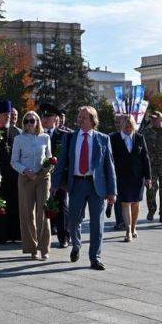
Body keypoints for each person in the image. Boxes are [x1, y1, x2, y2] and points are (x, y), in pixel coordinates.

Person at [53, 106, 117, 270]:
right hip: (77, 183)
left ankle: (95, 257)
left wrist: (112, 191)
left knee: (97, 223)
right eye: (79, 116)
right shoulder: (70, 138)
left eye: (84, 117)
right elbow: (61, 163)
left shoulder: (103, 139)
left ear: (93, 120)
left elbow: (109, 166)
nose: (80, 119)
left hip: (97, 186)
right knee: (74, 220)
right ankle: (76, 245)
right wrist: (55, 184)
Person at [12, 111, 53, 260]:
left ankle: (44, 248)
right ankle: (32, 248)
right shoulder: (19, 139)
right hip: (25, 177)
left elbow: (49, 157)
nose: (29, 124)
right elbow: (14, 161)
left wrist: (49, 166)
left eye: (32, 121)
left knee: (43, 213)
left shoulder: (45, 137)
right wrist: (25, 170)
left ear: (37, 122)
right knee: (27, 213)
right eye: (26, 121)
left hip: (42, 177)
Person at [110, 115, 151, 242]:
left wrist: (148, 177)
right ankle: (128, 230)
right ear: (121, 126)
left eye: (130, 126)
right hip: (121, 177)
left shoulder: (139, 138)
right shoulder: (113, 138)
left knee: (135, 203)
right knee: (125, 203)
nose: (128, 128)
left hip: (137, 177)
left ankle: (134, 227)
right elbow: (110, 159)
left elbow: (145, 158)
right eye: (126, 126)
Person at [0, 101, 22, 244]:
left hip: (15, 176)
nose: (8, 117)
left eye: (9, 114)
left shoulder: (17, 132)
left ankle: (15, 234)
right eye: (4, 114)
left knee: (15, 205)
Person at [40, 104, 71, 247]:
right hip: (41, 176)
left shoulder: (64, 135)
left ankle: (64, 237)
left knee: (62, 205)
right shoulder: (37, 135)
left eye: (48, 116)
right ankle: (41, 236)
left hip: (60, 177)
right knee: (42, 206)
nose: (44, 119)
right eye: (43, 116)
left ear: (56, 118)